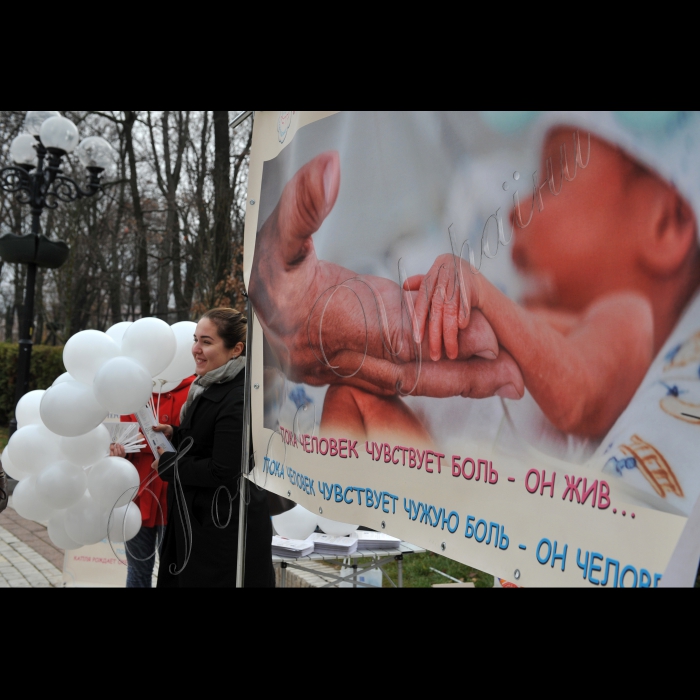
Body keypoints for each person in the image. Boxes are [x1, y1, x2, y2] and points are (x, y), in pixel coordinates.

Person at [152, 308, 275, 587]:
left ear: (236, 349)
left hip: (222, 529)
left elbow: (224, 469)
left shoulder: (238, 395)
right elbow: (210, 438)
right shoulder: (208, 385)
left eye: (206, 342)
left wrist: (171, 465)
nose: (196, 349)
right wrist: (177, 432)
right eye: (196, 340)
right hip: (199, 522)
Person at [110, 375, 195, 587]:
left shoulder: (194, 388)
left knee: (175, 573)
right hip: (138, 494)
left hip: (176, 495)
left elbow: (193, 440)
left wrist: (145, 441)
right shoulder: (134, 392)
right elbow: (126, 438)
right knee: (137, 571)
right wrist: (121, 451)